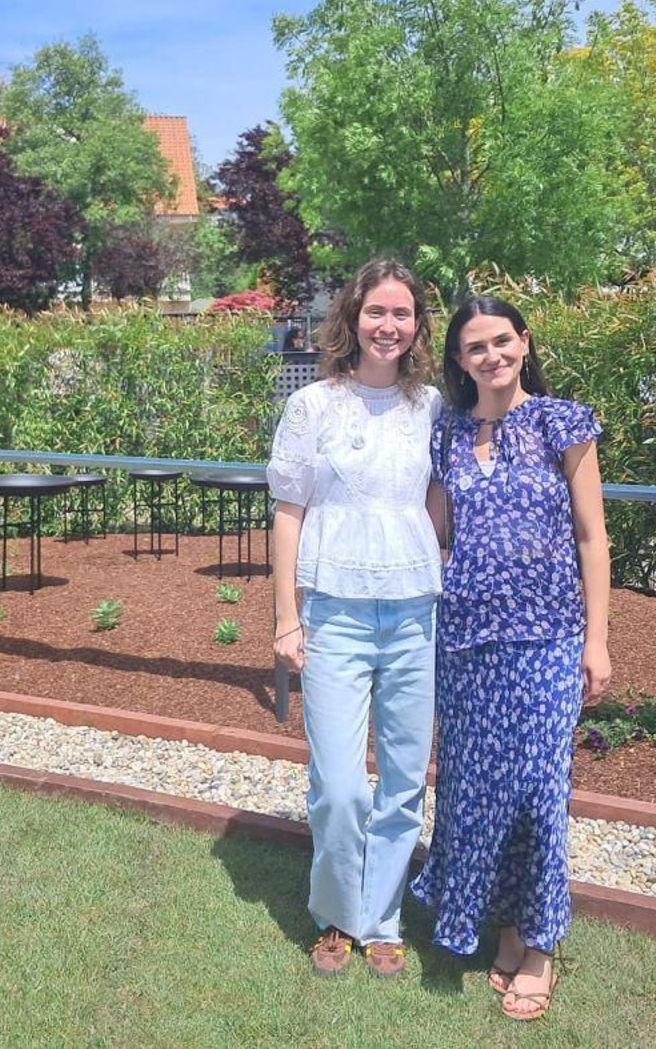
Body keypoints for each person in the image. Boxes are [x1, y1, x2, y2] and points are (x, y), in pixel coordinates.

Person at [409, 295, 612, 1022]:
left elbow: (592, 536)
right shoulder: (450, 435)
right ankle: (501, 925)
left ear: (524, 343)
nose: (491, 355)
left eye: (501, 340)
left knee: (536, 790)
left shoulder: (563, 421)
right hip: (464, 641)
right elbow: (431, 531)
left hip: (550, 636)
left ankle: (540, 944)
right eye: (475, 347)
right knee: (472, 791)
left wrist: (597, 638)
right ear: (460, 362)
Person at [266, 258, 445, 979]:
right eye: (377, 311)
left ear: (417, 326)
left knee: (403, 780)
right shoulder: (313, 406)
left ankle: (381, 917)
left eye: (402, 314)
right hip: (334, 612)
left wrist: (430, 547)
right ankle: (335, 912)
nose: (389, 325)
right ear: (352, 317)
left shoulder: (431, 406)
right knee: (340, 785)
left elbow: (441, 499)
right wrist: (287, 618)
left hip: (412, 613)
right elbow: (287, 512)